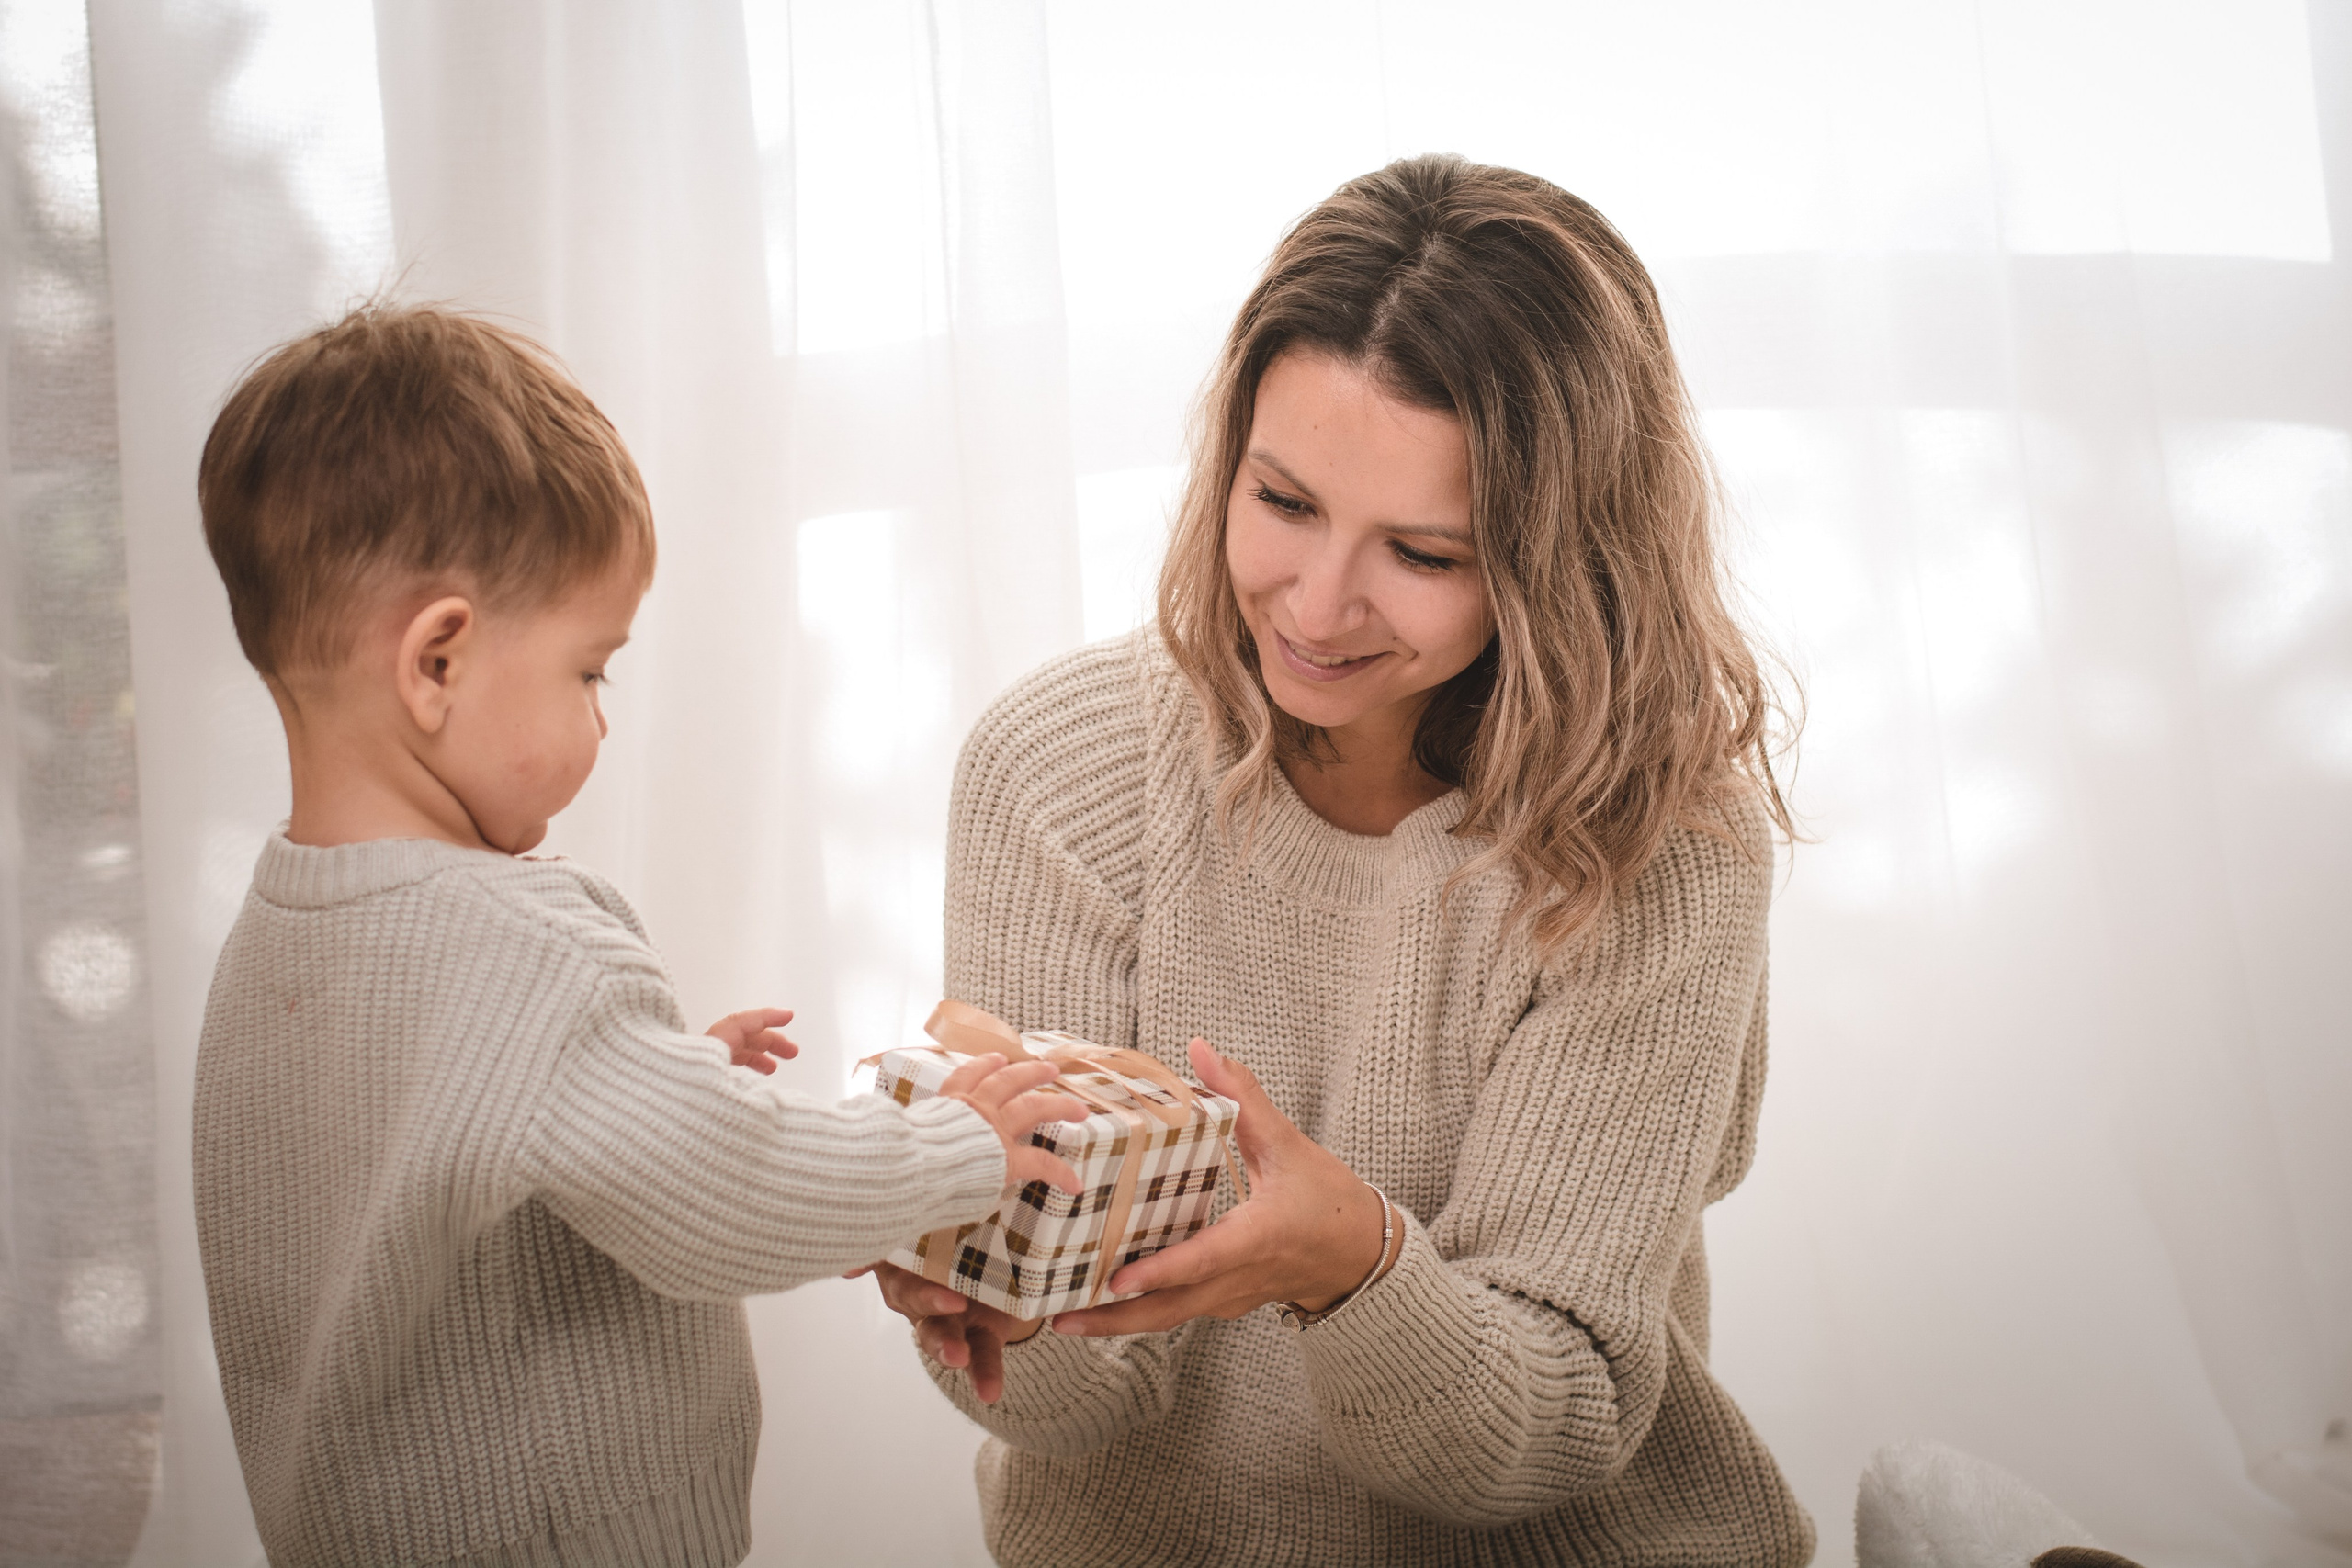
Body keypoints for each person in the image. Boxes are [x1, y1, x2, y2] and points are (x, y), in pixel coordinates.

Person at [871, 155, 1815, 1564]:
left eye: (1422, 554)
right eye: (1284, 501)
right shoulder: (1058, 776)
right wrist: (992, 1285)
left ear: (1559, 565)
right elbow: (1073, 1412)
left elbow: (1554, 1422)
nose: (1317, 609)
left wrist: (1354, 1272)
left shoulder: (1659, 846)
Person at [188, 304, 1083, 1568]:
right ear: (437, 663)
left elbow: (435, 1174)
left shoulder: (276, 940)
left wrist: (650, 1085)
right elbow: (735, 1193)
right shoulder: (519, 951)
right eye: (590, 670)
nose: (603, 719)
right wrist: (956, 1149)